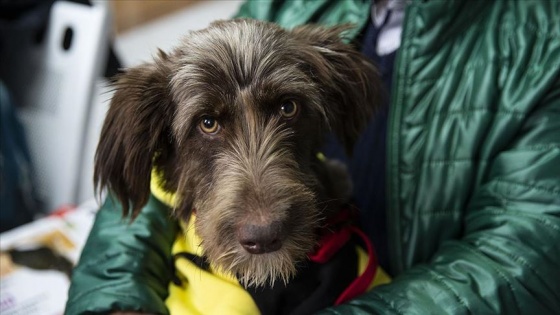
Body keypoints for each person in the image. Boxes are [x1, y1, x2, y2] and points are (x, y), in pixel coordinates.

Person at [65, 0, 560, 314]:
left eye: (286, 107)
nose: (261, 213)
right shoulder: (289, 5)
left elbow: (528, 256)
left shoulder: (541, 42)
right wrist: (115, 301)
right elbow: (141, 186)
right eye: (209, 124)